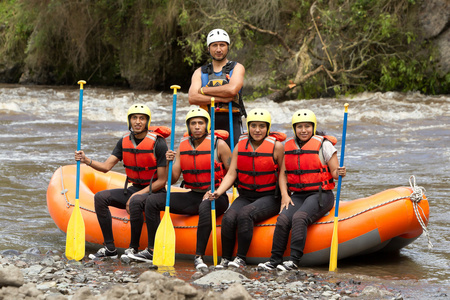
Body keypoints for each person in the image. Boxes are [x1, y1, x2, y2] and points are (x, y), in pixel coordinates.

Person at [128, 108, 232, 269]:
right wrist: (169, 162)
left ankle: (199, 257)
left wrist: (217, 191)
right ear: (188, 126)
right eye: (193, 123)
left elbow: (232, 173)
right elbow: (173, 179)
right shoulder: (183, 146)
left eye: (200, 123)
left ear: (207, 125)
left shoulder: (220, 145)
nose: (197, 126)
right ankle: (151, 249)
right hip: (193, 196)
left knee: (205, 205)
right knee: (152, 201)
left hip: (217, 197)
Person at [75, 104, 168, 259]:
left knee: (136, 200)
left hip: (154, 191)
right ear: (129, 121)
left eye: (142, 118)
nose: (138, 122)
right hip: (135, 188)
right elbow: (106, 167)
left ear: (147, 121)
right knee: (100, 197)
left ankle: (133, 248)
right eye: (134, 118)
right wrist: (86, 160)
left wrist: (135, 196)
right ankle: (110, 248)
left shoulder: (159, 143)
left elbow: (162, 181)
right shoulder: (124, 141)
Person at [258, 109, 346, 271]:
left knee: (299, 217)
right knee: (283, 219)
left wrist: (339, 172)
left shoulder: (324, 145)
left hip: (321, 194)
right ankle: (274, 260)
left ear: (313, 127)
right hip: (298, 194)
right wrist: (285, 195)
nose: (303, 130)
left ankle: (293, 261)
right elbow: (283, 175)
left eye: (307, 126)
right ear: (294, 128)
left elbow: (334, 173)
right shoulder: (288, 147)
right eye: (299, 127)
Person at [204, 108, 285, 268]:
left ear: (267, 128)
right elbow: (231, 174)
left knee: (245, 214)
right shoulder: (240, 146)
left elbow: (283, 174)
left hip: (269, 196)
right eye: (253, 125)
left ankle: (240, 258)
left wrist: (285, 196)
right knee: (228, 218)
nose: (257, 130)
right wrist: (218, 192)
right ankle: (226, 259)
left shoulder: (277, 147)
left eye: (262, 126)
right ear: (248, 127)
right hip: (246, 195)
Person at [188, 28, 246, 147]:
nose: (218, 49)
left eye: (222, 45)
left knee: (232, 159)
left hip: (232, 120)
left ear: (228, 47)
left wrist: (203, 90)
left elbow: (232, 90)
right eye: (214, 45)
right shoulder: (200, 72)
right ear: (208, 48)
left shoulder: (237, 68)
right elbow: (192, 98)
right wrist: (222, 99)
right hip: (206, 122)